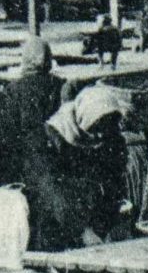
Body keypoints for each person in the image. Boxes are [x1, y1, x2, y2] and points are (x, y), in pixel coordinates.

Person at [24, 84, 136, 250]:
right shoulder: (48, 139)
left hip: (97, 224)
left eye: (105, 128)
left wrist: (109, 222)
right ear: (83, 119)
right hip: (59, 223)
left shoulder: (112, 139)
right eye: (96, 128)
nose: (99, 135)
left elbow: (114, 180)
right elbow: (52, 190)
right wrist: (83, 231)